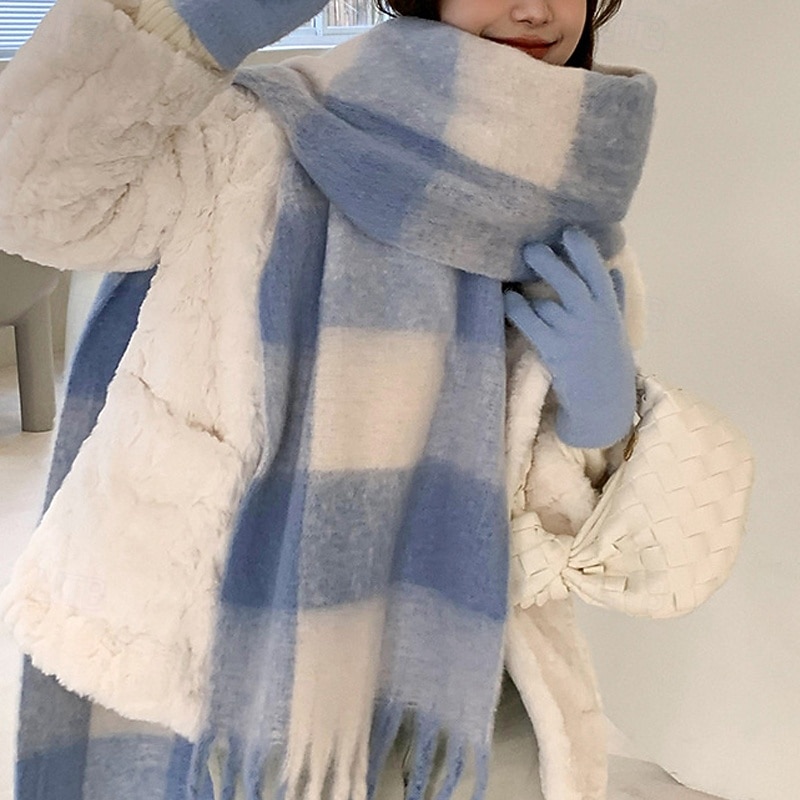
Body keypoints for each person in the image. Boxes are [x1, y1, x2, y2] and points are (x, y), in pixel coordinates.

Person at [0, 1, 666, 799]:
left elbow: (548, 528)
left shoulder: (570, 204)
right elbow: (33, 200)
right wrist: (189, 22)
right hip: (219, 651)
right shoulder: (259, 133)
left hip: (449, 679)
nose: (533, 7)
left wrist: (598, 422)